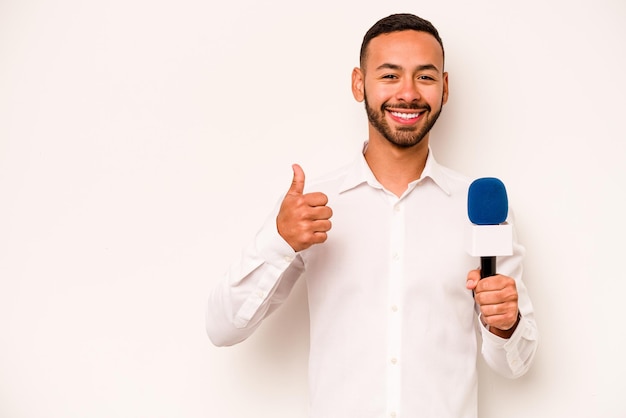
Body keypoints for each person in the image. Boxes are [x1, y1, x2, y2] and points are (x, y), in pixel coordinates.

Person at [206, 13, 538, 418]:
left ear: (445, 88)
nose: (409, 93)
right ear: (358, 84)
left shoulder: (481, 209)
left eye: (425, 77)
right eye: (390, 75)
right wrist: (279, 240)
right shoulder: (311, 207)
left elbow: (516, 364)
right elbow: (222, 328)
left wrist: (506, 323)